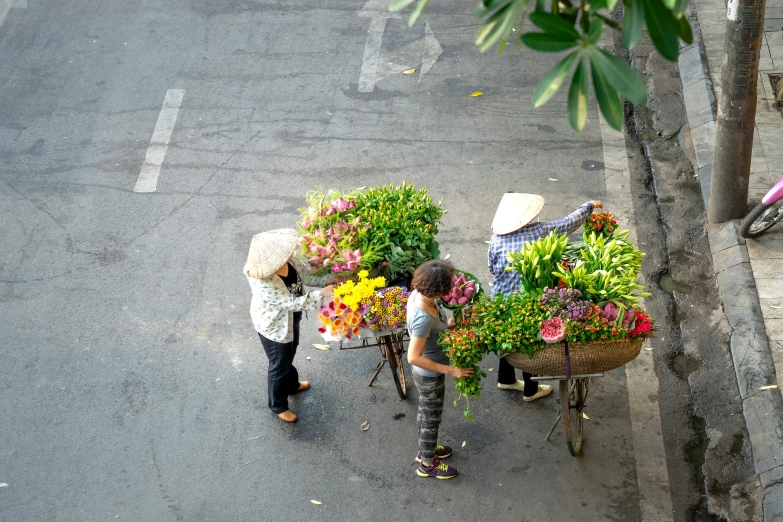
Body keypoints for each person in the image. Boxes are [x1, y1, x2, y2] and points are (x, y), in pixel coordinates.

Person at [488, 193, 603, 400]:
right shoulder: (539, 231)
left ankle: (505, 379)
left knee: (506, 336)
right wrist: (588, 206)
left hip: (500, 300)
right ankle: (531, 390)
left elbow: (492, 268)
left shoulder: (496, 240)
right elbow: (568, 223)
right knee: (526, 343)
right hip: (527, 300)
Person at [244, 228, 336, 423]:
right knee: (279, 364)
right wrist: (323, 293)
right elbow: (290, 303)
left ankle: (292, 384)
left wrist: (329, 280)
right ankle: (277, 405)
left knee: (290, 352)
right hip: (274, 326)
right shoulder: (262, 281)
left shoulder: (289, 260)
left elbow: (307, 275)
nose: (289, 255)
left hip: (290, 319)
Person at [406, 259, 475, 479]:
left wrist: (451, 324)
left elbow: (437, 327)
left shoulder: (421, 294)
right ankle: (427, 464)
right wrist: (451, 370)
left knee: (427, 414)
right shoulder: (422, 317)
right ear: (438, 289)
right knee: (431, 418)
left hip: (432, 372)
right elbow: (413, 357)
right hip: (429, 375)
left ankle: (426, 449)